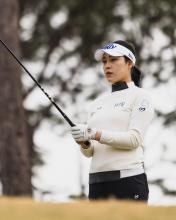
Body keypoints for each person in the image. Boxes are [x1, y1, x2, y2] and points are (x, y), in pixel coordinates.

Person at [70, 40, 154, 202]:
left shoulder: (141, 96)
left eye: (113, 60)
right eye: (104, 61)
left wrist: (94, 133)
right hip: (96, 183)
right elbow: (90, 152)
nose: (107, 65)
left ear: (129, 63)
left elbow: (134, 139)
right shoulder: (97, 103)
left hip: (128, 180)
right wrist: (84, 143)